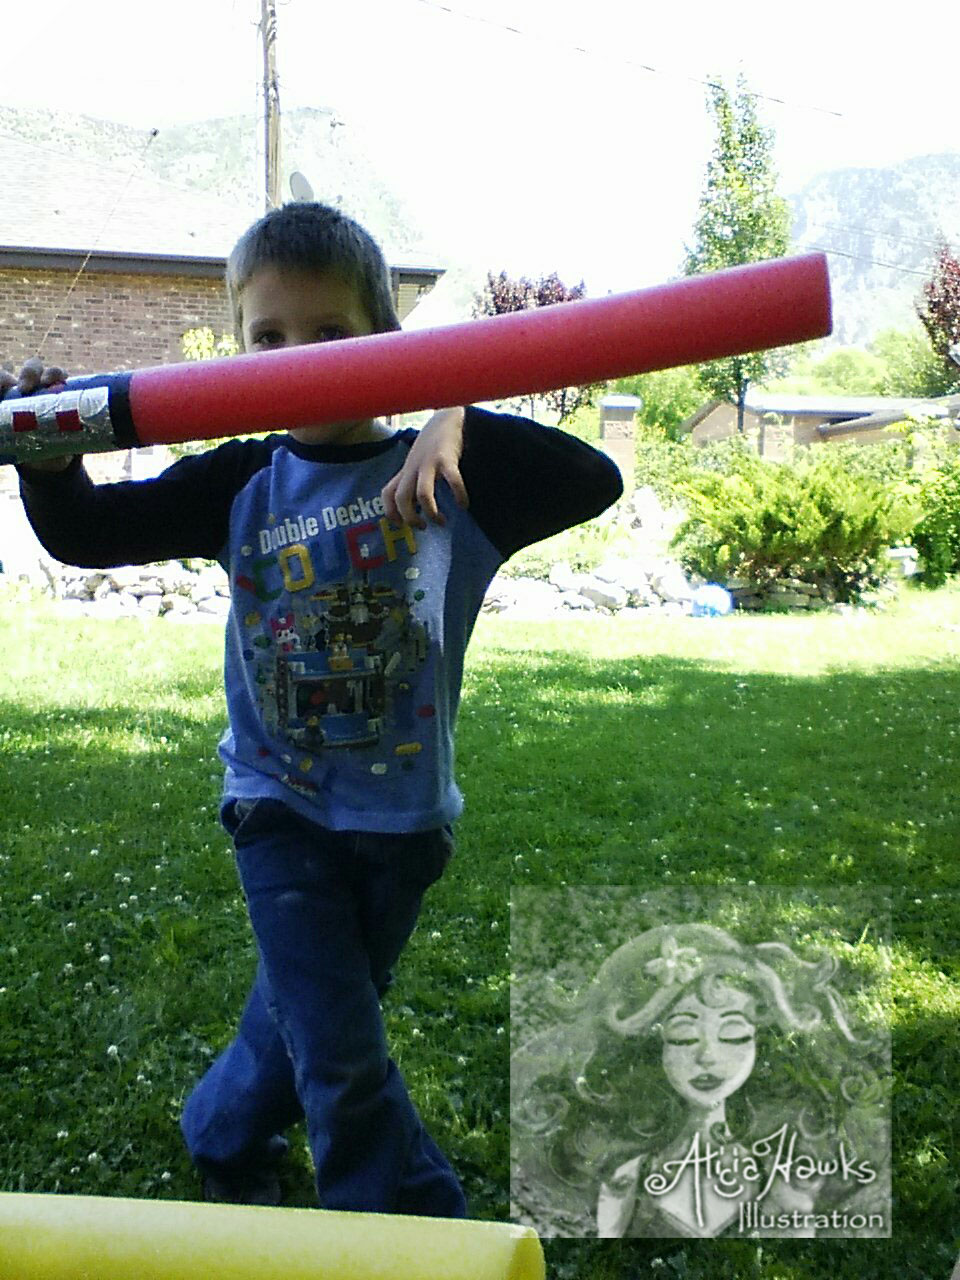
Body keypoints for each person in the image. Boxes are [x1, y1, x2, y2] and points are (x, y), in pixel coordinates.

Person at [9, 200, 622, 1216]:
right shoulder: (245, 480)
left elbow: (592, 479)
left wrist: (453, 410)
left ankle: (221, 1130)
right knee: (341, 1047)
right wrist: (51, 463)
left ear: (387, 338)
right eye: (269, 338)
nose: (298, 361)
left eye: (331, 333)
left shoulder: (451, 478)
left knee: (304, 1014)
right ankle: (404, 1225)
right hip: (278, 808)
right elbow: (93, 533)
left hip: (402, 820)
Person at [511, 922, 889, 1238]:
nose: (707, 1056)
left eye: (734, 1036)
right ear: (653, 1049)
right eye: (683, 1037)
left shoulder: (780, 1181)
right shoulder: (627, 1178)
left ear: (760, 1046)